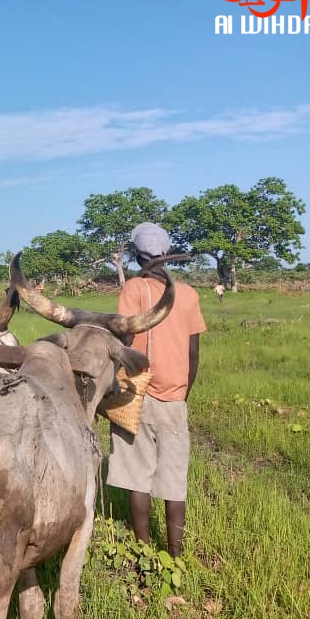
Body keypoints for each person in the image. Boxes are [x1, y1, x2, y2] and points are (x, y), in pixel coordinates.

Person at [107, 222, 206, 558]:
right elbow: (194, 355)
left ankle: (144, 550)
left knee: (138, 475)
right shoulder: (189, 294)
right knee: (174, 477)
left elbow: (124, 341)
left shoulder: (134, 289)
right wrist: (181, 394)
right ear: (166, 252)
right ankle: (176, 555)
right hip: (176, 397)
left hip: (138, 393)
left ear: (135, 254)